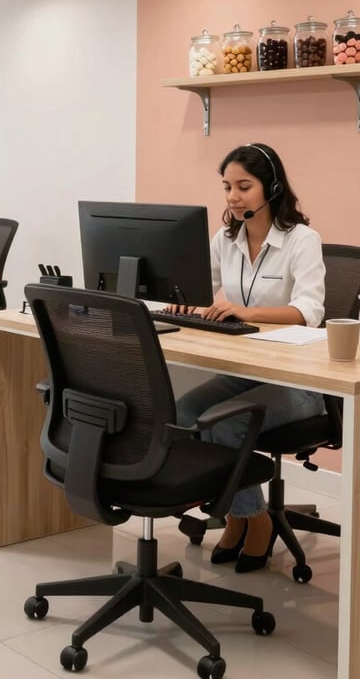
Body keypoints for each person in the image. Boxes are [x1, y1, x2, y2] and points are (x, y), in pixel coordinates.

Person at [174, 142, 325, 573]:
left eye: (244, 186)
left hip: (301, 381)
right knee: (187, 410)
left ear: (271, 187)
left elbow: (309, 311)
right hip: (247, 370)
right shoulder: (226, 238)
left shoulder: (302, 240)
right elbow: (198, 287)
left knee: (227, 421)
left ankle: (253, 521)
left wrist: (246, 312)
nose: (233, 197)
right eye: (227, 187)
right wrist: (182, 300)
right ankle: (241, 515)